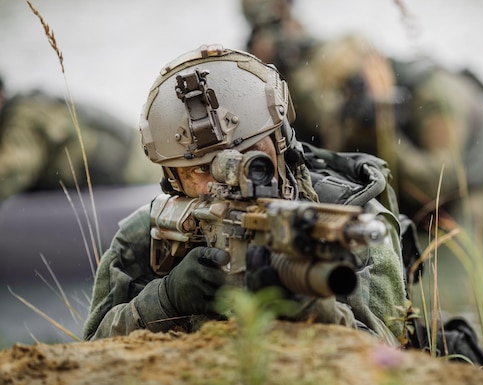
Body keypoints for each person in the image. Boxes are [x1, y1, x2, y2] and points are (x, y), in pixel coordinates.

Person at [82, 44, 409, 347]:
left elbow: (388, 356)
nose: (226, 178)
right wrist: (165, 301)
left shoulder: (346, 219)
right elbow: (88, 355)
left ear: (281, 143)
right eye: (200, 170)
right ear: (174, 179)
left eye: (252, 154)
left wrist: (312, 308)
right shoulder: (143, 236)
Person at [239, 0, 483, 313]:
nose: (350, 97)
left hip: (480, 189)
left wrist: (383, 125)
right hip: (421, 186)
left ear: (374, 69)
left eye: (351, 88)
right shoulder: (357, 97)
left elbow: (439, 183)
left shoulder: (435, 96)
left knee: (446, 292)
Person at [0, 76, 161, 201]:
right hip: (139, 156)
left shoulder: (24, 119)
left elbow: (12, 173)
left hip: (138, 170)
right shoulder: (27, 109)